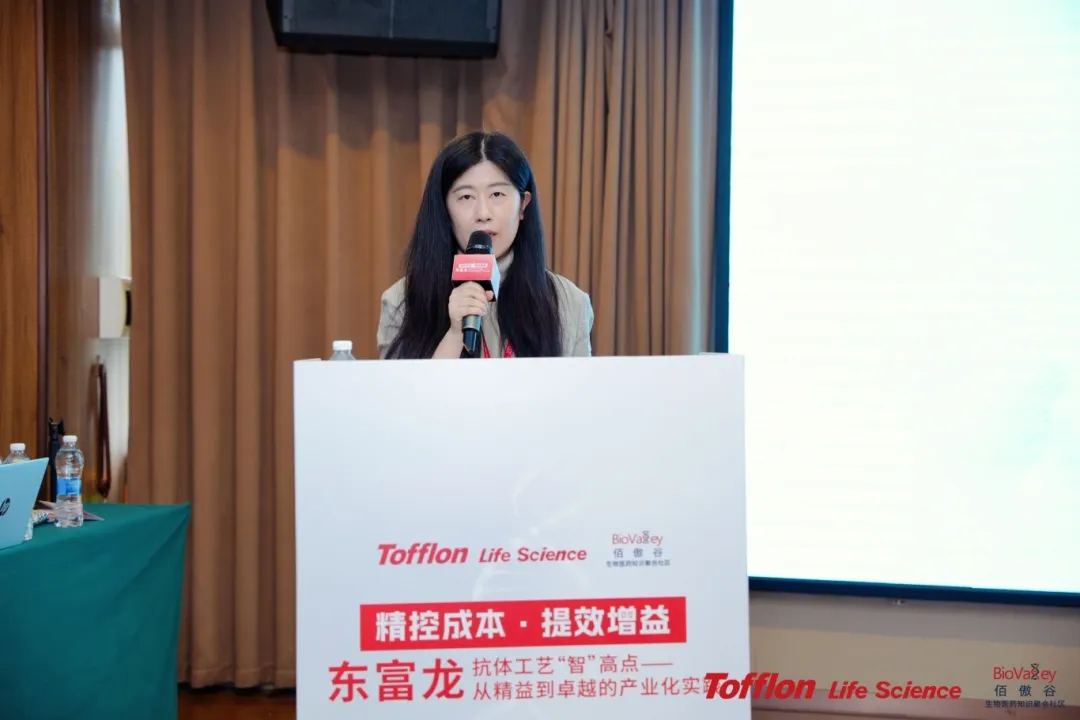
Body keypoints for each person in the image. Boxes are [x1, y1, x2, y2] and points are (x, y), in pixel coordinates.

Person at [377, 131, 593, 359]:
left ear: (523, 205)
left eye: (497, 194)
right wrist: (454, 335)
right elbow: (401, 384)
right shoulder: (401, 302)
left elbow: (581, 384)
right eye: (466, 197)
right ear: (444, 209)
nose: (483, 213)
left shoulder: (570, 304)